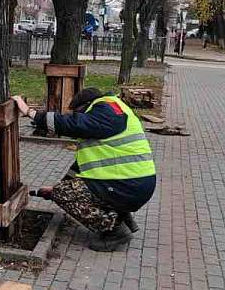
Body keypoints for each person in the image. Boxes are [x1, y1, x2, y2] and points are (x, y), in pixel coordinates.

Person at [11, 88, 157, 252]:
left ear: (87, 106)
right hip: (131, 183)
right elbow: (83, 165)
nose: (79, 116)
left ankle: (115, 230)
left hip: (127, 185)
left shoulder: (105, 110)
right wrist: (59, 186)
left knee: (62, 194)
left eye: (79, 112)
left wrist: (31, 113)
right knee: (62, 190)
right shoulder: (112, 109)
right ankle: (120, 217)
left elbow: (71, 123)